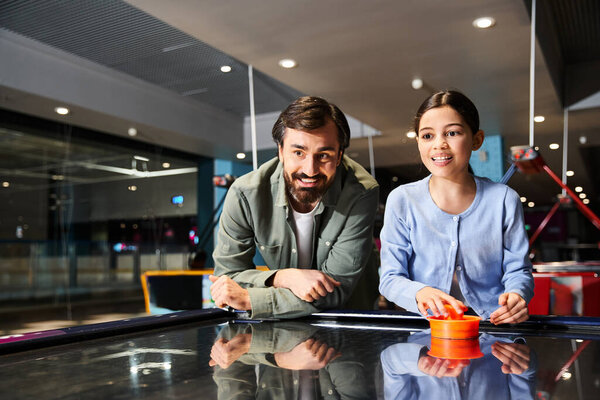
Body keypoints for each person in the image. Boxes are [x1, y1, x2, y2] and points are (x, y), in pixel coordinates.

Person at [209, 96, 380, 319]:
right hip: (280, 324)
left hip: (348, 320)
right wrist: (283, 277)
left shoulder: (361, 192)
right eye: (298, 153)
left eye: (324, 155)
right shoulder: (245, 194)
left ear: (339, 156)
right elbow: (227, 277)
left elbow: (336, 290)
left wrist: (251, 299)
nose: (310, 169)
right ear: (280, 151)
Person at [379, 90, 534, 325]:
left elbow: (518, 271)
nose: (439, 145)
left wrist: (517, 295)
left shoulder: (503, 199)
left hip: (493, 330)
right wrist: (419, 293)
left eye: (452, 133)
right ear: (419, 142)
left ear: (476, 139)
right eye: (428, 136)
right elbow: (390, 278)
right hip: (426, 336)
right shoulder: (402, 200)